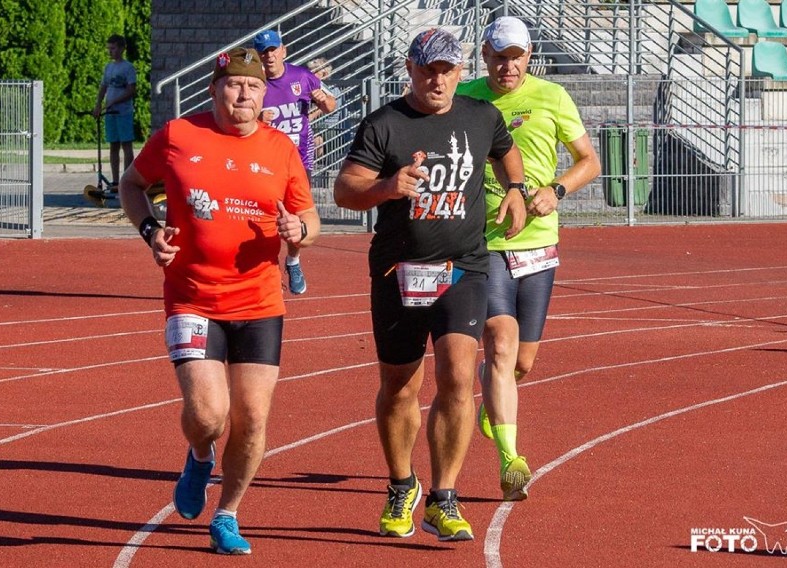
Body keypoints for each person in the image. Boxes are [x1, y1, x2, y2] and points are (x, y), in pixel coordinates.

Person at [117, 47, 320, 555]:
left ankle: (227, 513)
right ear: (215, 89)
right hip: (192, 298)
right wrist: (149, 230)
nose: (244, 95)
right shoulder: (179, 136)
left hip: (259, 303)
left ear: (262, 94)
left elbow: (309, 217)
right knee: (209, 414)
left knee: (252, 419)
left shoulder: (280, 149)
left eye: (253, 87)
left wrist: (300, 230)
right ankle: (199, 452)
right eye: (233, 85)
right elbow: (132, 183)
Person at [334, 28, 527, 542]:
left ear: (461, 72)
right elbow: (344, 191)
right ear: (410, 70)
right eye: (427, 70)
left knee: (459, 378)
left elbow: (506, 152)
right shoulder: (385, 125)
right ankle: (402, 485)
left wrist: (515, 190)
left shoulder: (481, 115)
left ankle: (445, 496)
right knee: (400, 386)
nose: (437, 79)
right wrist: (385, 187)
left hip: (462, 266)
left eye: (446, 70)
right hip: (398, 269)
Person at [456, 16, 601, 501]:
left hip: (539, 243)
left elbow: (589, 161)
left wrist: (557, 190)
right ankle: (510, 460)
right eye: (498, 57)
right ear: (484, 56)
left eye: (515, 57)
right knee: (499, 342)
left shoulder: (553, 97)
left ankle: (494, 403)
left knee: (523, 363)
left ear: (529, 55)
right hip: (485, 242)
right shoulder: (468, 97)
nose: (507, 66)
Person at [254, 29, 336, 295]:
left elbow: (330, 105)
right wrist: (257, 120)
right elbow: (235, 119)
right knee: (262, 216)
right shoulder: (254, 83)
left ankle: (293, 261)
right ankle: (263, 268)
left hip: (299, 158)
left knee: (296, 216)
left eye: (273, 50)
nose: (270, 56)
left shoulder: (302, 76)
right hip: (264, 159)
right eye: (264, 52)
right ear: (258, 55)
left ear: (283, 51)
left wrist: (323, 101)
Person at [92, 34, 137, 191]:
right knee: (113, 146)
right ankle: (116, 181)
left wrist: (114, 101)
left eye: (113, 48)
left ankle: (128, 179)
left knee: (126, 145)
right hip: (110, 113)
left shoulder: (128, 67)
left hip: (123, 112)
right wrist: (98, 105)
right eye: (108, 49)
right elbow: (103, 87)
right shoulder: (108, 67)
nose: (110, 51)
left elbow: (131, 90)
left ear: (122, 48)